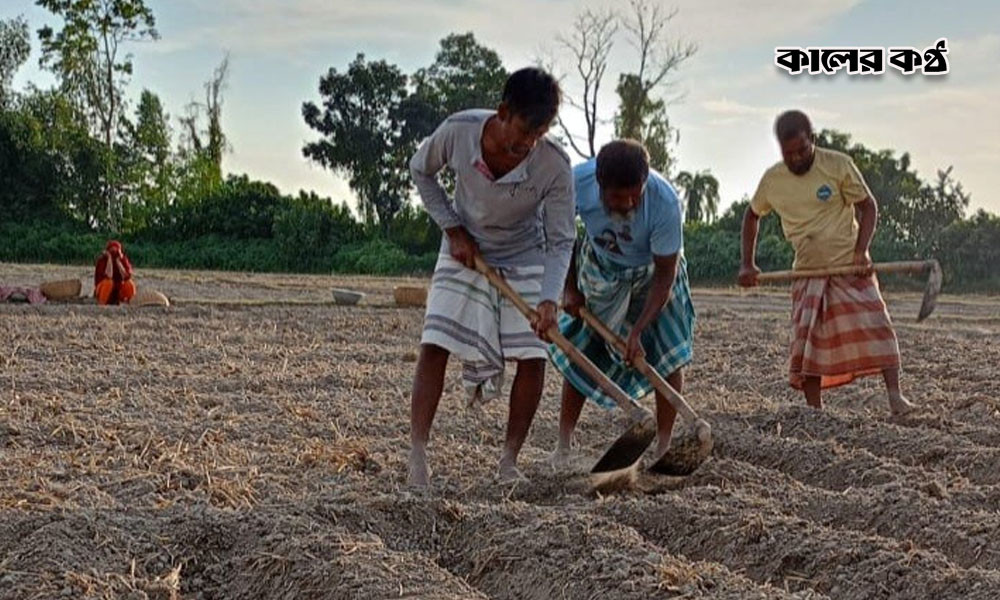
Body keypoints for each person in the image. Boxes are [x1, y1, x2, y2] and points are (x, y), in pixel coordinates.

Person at [407, 67, 575, 487]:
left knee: (535, 354)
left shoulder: (554, 165)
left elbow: (560, 240)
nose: (526, 146)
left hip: (526, 250)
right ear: (503, 112)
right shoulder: (459, 131)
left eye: (538, 136)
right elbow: (419, 170)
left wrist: (549, 300)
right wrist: (452, 228)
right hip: (465, 244)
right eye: (522, 133)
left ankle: (508, 461)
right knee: (435, 342)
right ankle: (418, 454)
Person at [738, 109, 915, 415]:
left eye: (802, 150)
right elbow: (751, 216)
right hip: (807, 269)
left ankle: (895, 397)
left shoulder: (838, 165)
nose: (795, 159)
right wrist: (747, 264)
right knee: (809, 343)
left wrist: (862, 251)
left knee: (878, 325)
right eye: (788, 153)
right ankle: (814, 408)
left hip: (849, 265)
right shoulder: (773, 180)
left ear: (814, 141)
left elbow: (868, 207)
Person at [549, 139, 695, 466]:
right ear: (600, 185)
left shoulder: (665, 203)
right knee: (583, 351)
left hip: (652, 275)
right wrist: (569, 289)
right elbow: (561, 235)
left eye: (635, 194)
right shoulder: (576, 183)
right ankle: (563, 444)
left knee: (668, 357)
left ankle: (663, 444)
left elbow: (665, 275)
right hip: (601, 267)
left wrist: (639, 330)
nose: (629, 203)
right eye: (618, 196)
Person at [94, 240, 136, 305]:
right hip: (103, 290)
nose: (114, 253)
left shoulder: (123, 260)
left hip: (118, 290)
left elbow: (126, 276)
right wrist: (109, 259)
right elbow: (108, 276)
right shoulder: (102, 261)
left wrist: (118, 261)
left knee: (129, 283)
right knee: (108, 282)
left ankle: (130, 302)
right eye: (111, 251)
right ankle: (101, 303)